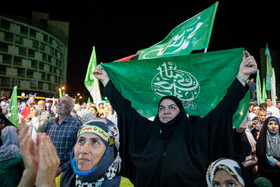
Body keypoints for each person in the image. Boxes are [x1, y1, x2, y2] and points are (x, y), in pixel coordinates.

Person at [94, 50, 257, 186]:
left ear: (181, 112)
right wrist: (105, 80)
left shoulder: (194, 134)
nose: (166, 111)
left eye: (172, 107)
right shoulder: (147, 132)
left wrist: (242, 76)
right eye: (162, 108)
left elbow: (222, 110)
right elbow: (124, 109)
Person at [18, 117, 133, 187]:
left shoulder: (121, 185)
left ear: (109, 153)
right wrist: (30, 173)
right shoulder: (64, 179)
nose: (83, 150)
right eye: (81, 141)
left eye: (95, 142)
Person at [45, 96, 83, 175]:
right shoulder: (51, 123)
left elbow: (79, 151)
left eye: (64, 102)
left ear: (71, 107)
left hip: (66, 173)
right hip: (48, 168)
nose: (58, 103)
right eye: (58, 101)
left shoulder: (76, 124)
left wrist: (61, 169)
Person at [256, 116, 280, 186]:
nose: (273, 126)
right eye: (270, 124)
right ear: (266, 126)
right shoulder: (263, 138)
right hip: (267, 168)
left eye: (276, 124)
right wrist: (277, 163)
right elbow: (262, 154)